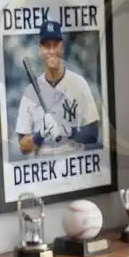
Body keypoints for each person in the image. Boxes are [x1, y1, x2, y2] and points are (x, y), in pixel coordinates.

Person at [15, 19, 100, 156]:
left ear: (62, 47)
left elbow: (93, 134)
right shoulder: (29, 92)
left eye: (55, 45)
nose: (51, 51)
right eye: (47, 46)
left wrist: (69, 131)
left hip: (74, 170)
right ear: (40, 50)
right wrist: (40, 133)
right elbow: (24, 148)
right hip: (45, 173)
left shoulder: (79, 84)